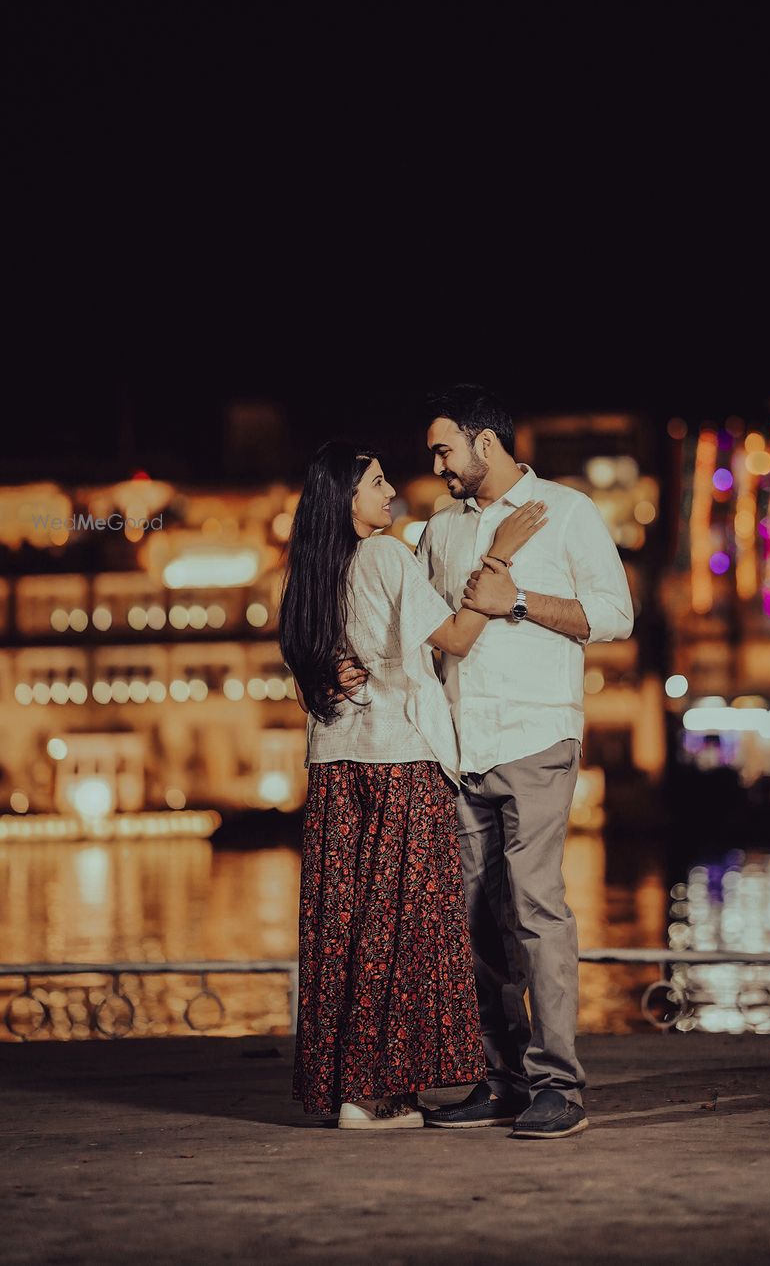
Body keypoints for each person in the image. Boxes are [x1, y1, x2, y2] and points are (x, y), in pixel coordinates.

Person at [277, 439, 548, 1130]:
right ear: (347, 497)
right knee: (399, 930)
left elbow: (310, 661)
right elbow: (455, 635)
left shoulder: (310, 573)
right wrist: (500, 561)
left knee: (343, 927)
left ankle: (347, 1086)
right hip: (400, 758)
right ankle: (377, 1095)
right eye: (374, 481)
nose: (389, 489)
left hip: (335, 767)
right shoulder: (387, 555)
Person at [413, 385, 635, 1139]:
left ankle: (559, 1085)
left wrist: (518, 601)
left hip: (538, 735)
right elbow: (431, 629)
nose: (436, 462)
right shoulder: (439, 531)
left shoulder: (567, 511)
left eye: (444, 448)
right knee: (479, 919)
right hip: (462, 744)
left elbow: (613, 615)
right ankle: (500, 1077)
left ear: (484, 441)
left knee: (538, 908)